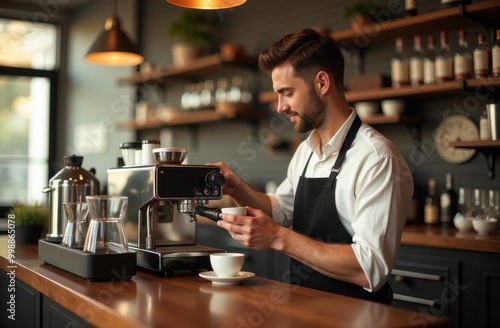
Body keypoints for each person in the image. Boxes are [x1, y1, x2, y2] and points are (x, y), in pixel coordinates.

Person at [210, 28, 413, 305]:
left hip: (357, 317)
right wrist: (238, 188)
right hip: (305, 308)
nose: (280, 107)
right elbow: (281, 211)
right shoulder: (306, 150)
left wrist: (278, 238)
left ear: (321, 83)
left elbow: (370, 269)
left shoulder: (376, 158)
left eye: (287, 93)